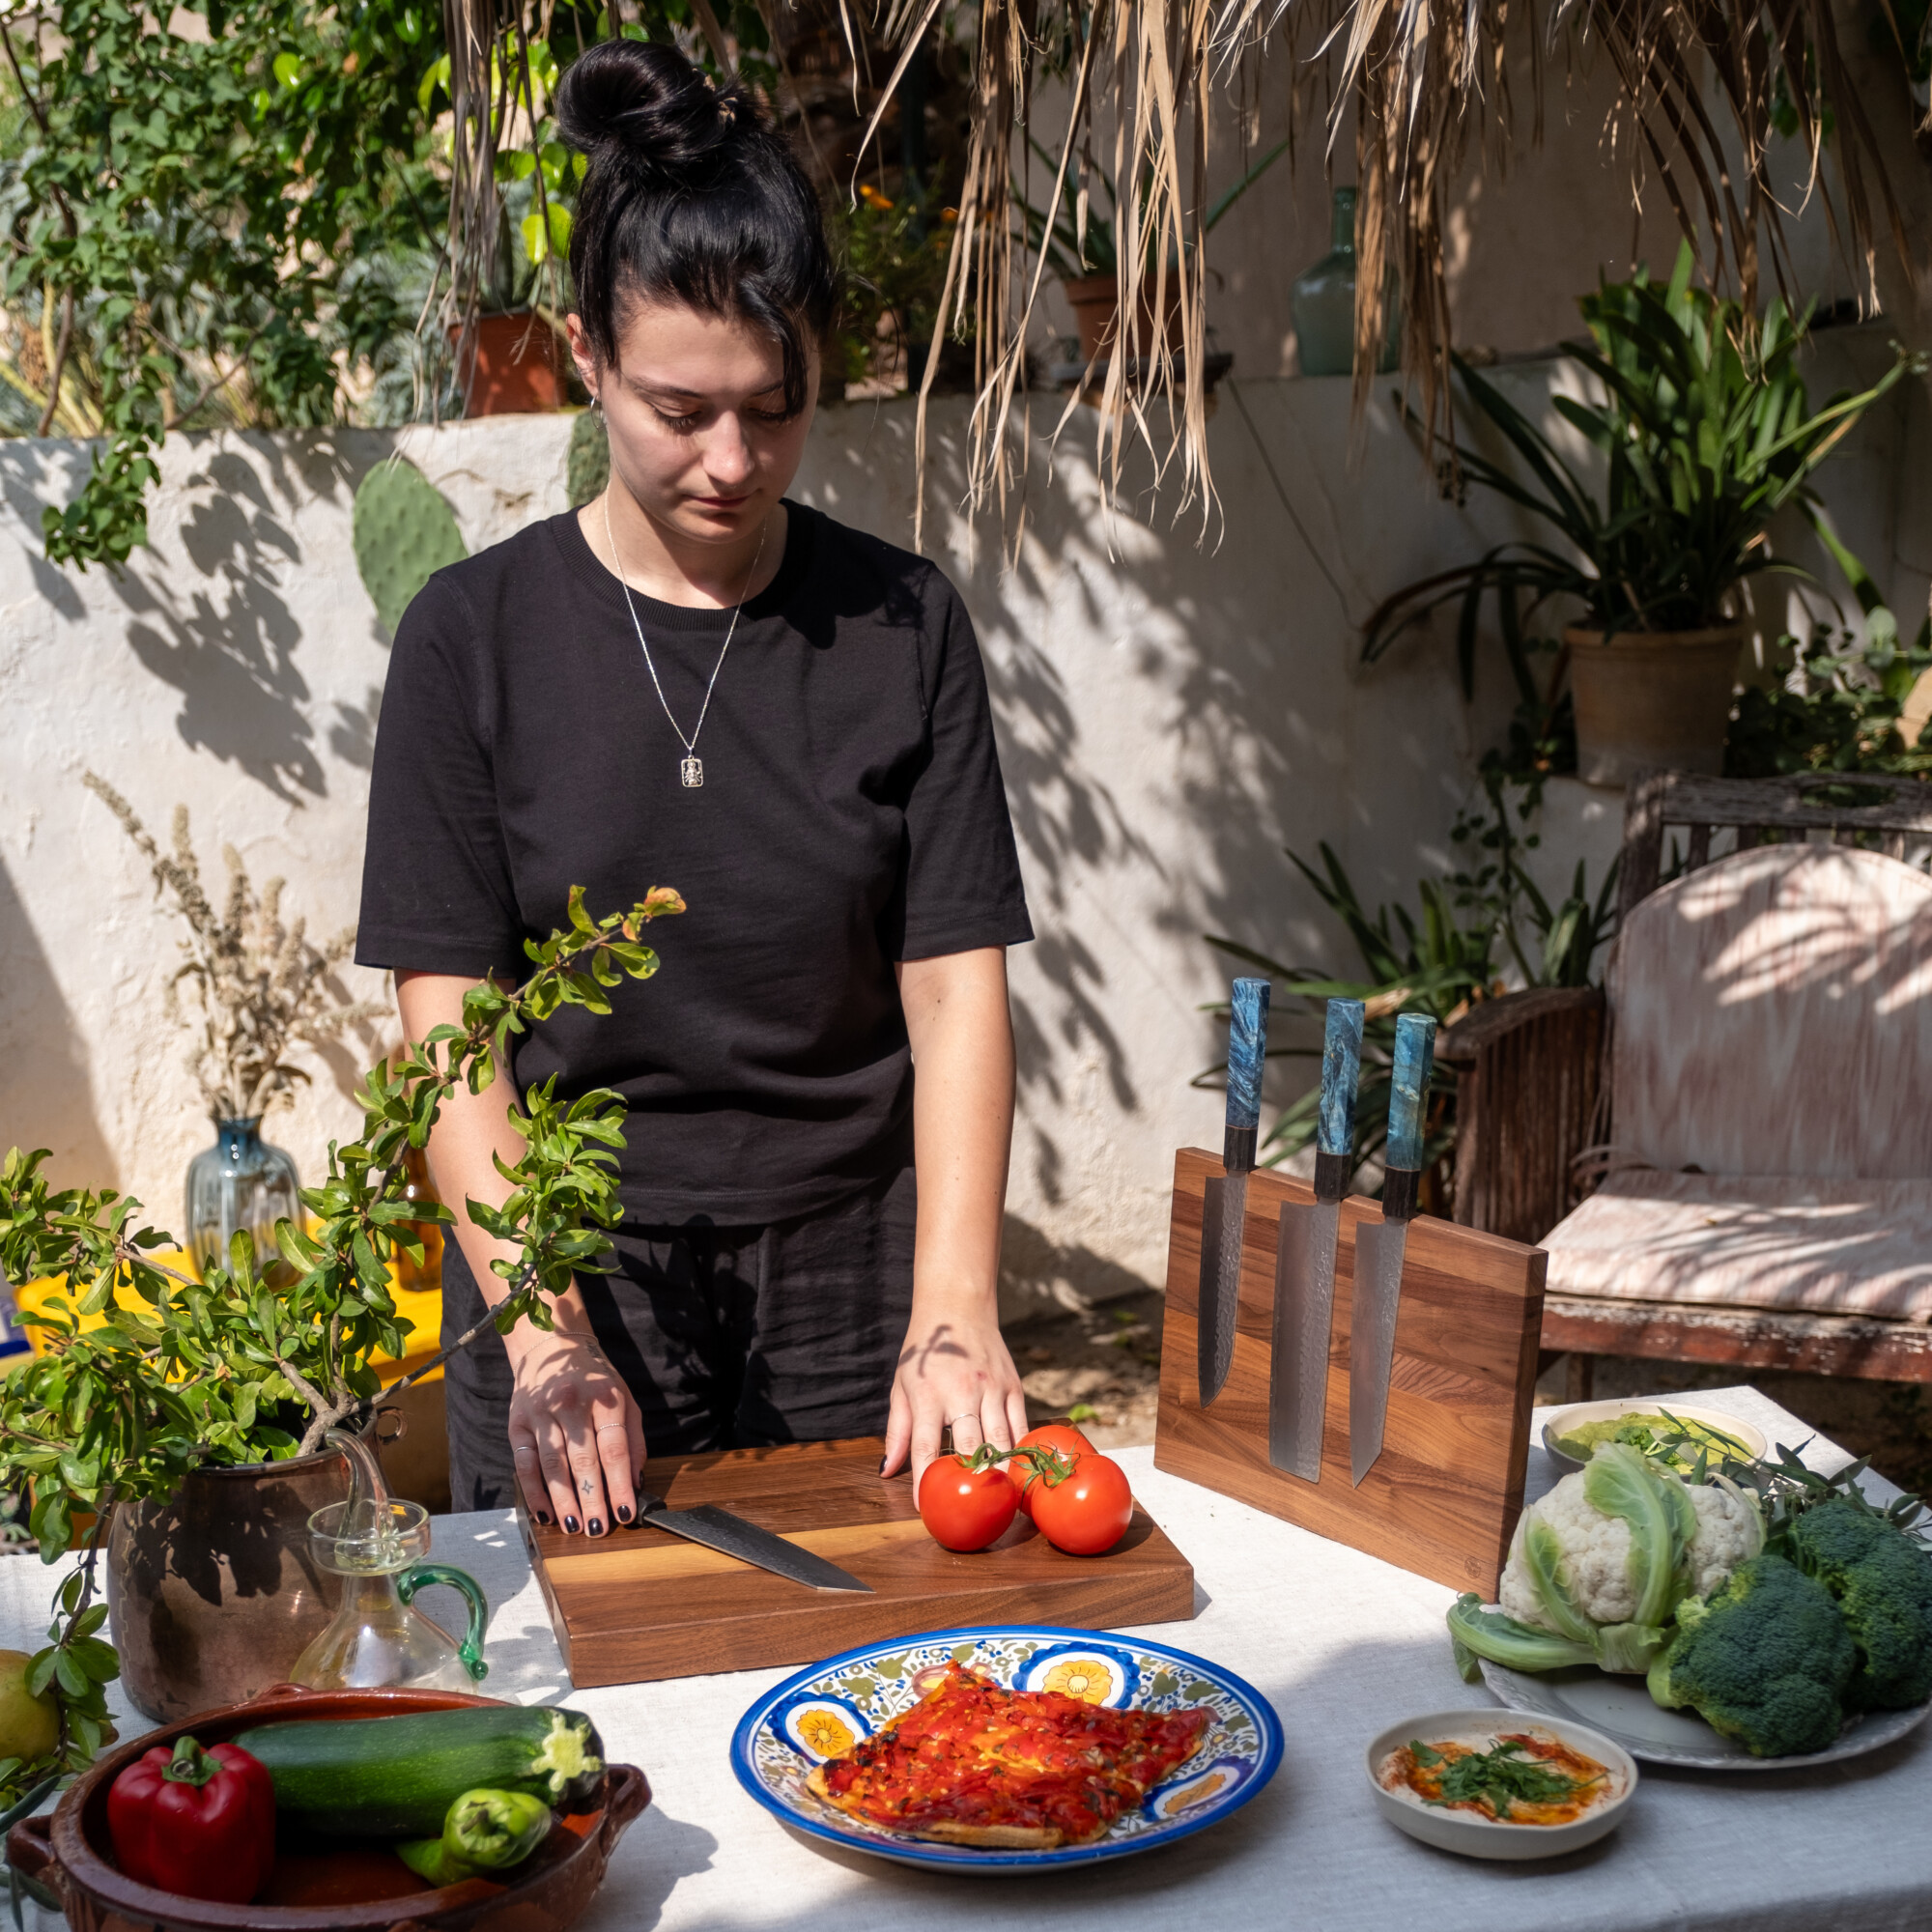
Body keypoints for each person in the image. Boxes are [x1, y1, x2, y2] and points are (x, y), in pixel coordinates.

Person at [355, 37, 1034, 1535]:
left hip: (864, 1266)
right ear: (587, 354)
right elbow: (448, 1019)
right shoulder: (471, 640)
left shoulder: (904, 622)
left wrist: (956, 1306)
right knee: (580, 1726)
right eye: (680, 410)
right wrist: (542, 1334)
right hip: (571, 1263)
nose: (733, 459)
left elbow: (953, 980)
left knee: (893, 1706)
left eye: (776, 407)